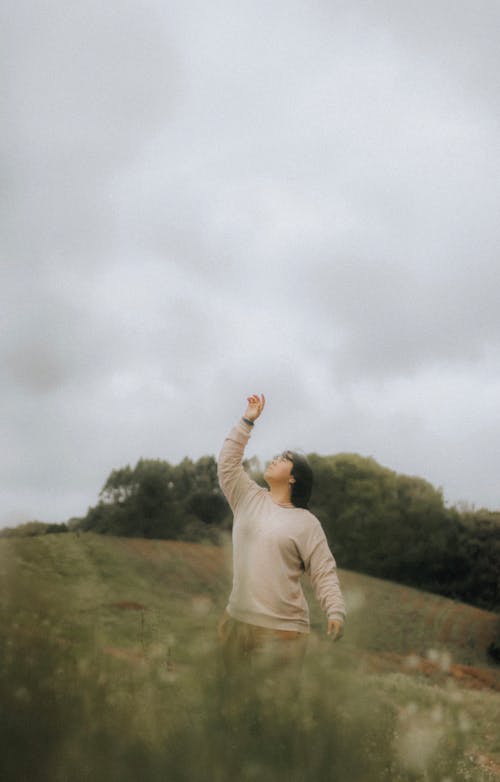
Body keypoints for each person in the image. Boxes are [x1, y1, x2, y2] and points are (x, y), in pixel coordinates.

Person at [217, 393, 346, 681]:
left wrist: (335, 611)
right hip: (236, 620)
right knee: (228, 705)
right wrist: (246, 421)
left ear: (293, 478)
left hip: (283, 632)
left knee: (274, 712)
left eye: (284, 460)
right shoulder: (247, 497)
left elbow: (323, 571)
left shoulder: (306, 523)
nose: (275, 460)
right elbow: (227, 465)